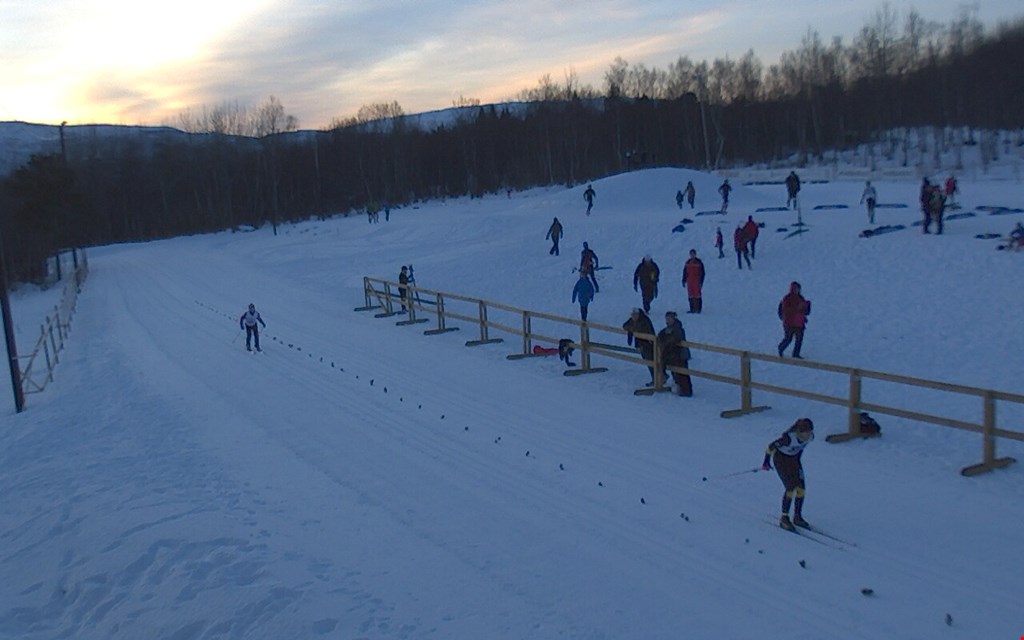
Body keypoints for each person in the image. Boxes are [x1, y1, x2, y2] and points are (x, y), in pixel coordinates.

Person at [761, 418, 815, 531]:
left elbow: (800, 449)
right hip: (781, 460)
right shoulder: (788, 438)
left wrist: (797, 462)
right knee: (790, 488)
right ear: (799, 432)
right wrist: (766, 461)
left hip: (794, 460)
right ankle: (784, 518)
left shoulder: (810, 437)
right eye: (806, 432)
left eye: (810, 431)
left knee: (801, 489)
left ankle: (797, 516)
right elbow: (771, 447)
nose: (808, 435)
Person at [657, 311, 693, 396]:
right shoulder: (668, 329)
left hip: (680, 355)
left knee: (682, 373)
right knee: (676, 373)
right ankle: (681, 389)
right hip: (672, 355)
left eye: (669, 318)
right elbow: (661, 335)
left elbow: (676, 338)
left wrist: (667, 343)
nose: (668, 320)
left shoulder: (678, 328)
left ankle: (686, 391)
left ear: (673, 319)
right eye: (666, 319)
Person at [777, 281, 811, 359]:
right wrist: (797, 308)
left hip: (799, 323)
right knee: (788, 339)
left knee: (799, 339)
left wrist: (807, 306)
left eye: (799, 289)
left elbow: (806, 312)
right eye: (796, 289)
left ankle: (796, 354)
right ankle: (781, 348)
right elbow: (785, 310)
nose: (798, 290)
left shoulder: (801, 298)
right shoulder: (787, 298)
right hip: (789, 323)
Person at [623, 307, 656, 384]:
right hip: (641, 344)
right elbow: (625, 325)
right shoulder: (633, 320)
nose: (633, 317)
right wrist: (631, 329)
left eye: (635, 315)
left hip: (648, 344)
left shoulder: (644, 320)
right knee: (648, 361)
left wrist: (632, 329)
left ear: (638, 314)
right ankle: (656, 378)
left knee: (651, 361)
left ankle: (658, 378)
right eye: (632, 315)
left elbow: (643, 329)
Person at [682, 249, 705, 313]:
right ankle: (692, 308)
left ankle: (698, 309)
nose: (692, 255)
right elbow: (685, 272)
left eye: (693, 254)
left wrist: (701, 281)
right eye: (691, 254)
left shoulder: (699, 262)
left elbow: (702, 272)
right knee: (691, 295)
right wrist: (683, 280)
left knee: (697, 294)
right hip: (689, 281)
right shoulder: (688, 262)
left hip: (696, 280)